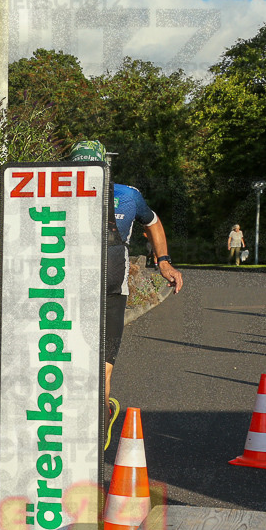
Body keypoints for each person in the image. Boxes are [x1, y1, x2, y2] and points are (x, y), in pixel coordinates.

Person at [69, 140, 184, 450]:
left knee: (101, 370)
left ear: (104, 169)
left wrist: (163, 261)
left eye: (90, 169)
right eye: (77, 168)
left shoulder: (127, 195)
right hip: (67, 292)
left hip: (111, 291)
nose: (84, 175)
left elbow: (153, 222)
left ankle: (95, 429)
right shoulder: (58, 195)